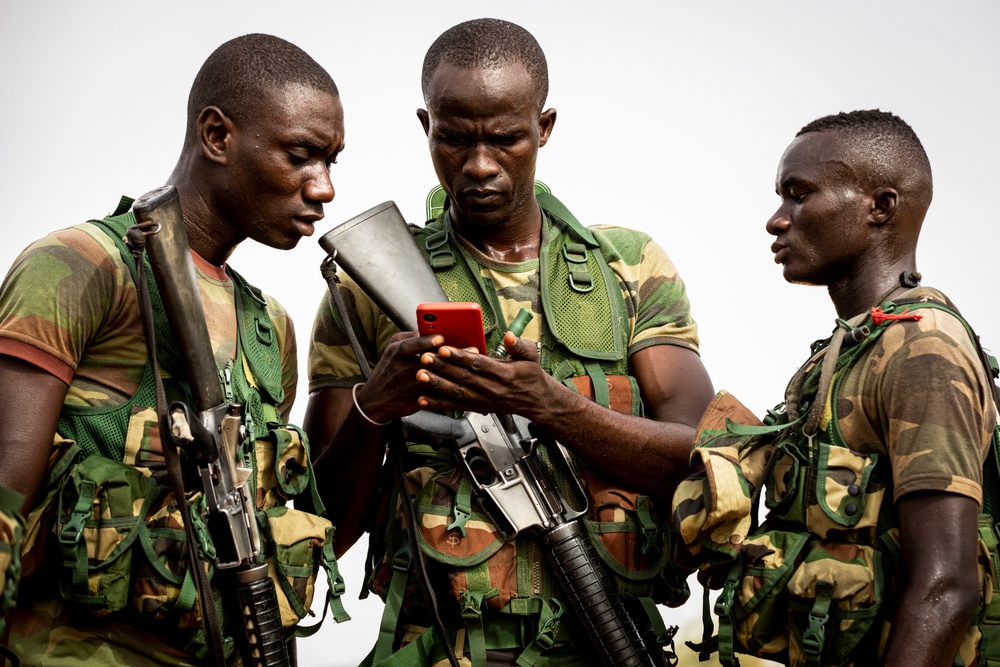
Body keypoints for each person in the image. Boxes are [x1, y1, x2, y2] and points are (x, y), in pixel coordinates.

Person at [305, 17, 715, 667]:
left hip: (605, 642)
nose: (479, 165)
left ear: (544, 128)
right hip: (438, 646)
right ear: (425, 126)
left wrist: (555, 406)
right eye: (454, 138)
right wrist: (373, 408)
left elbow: (699, 454)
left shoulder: (628, 267)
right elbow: (322, 526)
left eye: (505, 138)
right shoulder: (367, 283)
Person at [0, 33, 346, 666]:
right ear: (216, 136)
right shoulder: (81, 267)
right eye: (301, 155)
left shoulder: (271, 325)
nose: (322, 187)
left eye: (332, 161)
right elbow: (3, 499)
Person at [675, 109, 997, 667]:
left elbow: (947, 584)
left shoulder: (923, 349)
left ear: (881, 207)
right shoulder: (846, 350)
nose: (777, 220)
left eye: (799, 195)